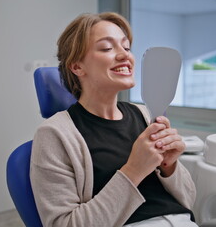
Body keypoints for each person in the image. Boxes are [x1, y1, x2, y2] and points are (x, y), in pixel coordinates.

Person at [30, 12, 197, 227]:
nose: (124, 55)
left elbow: (189, 200)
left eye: (126, 47)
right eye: (107, 48)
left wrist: (170, 166)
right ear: (77, 66)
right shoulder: (55, 134)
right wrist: (134, 170)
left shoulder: (145, 115)